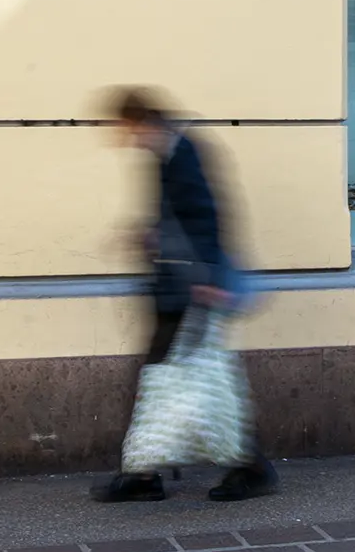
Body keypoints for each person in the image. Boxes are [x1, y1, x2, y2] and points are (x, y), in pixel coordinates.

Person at [94, 88, 278, 504]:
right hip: (176, 286)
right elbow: (179, 216)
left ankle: (248, 466)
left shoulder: (182, 152)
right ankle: (144, 472)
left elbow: (206, 215)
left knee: (195, 378)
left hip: (191, 289)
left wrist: (209, 275)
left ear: (139, 121)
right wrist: (149, 233)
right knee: (166, 377)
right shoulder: (166, 152)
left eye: (124, 128)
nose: (123, 138)